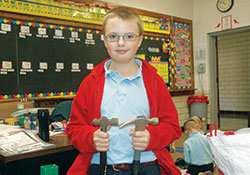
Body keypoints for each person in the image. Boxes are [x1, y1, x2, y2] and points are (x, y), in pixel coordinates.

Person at [66, 6, 182, 175]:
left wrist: (151, 137)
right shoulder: (91, 83)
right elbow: (74, 128)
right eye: (113, 36)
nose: (121, 43)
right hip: (102, 168)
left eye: (129, 36)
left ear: (140, 40)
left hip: (147, 166)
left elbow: (172, 127)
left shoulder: (154, 82)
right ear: (104, 40)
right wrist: (91, 138)